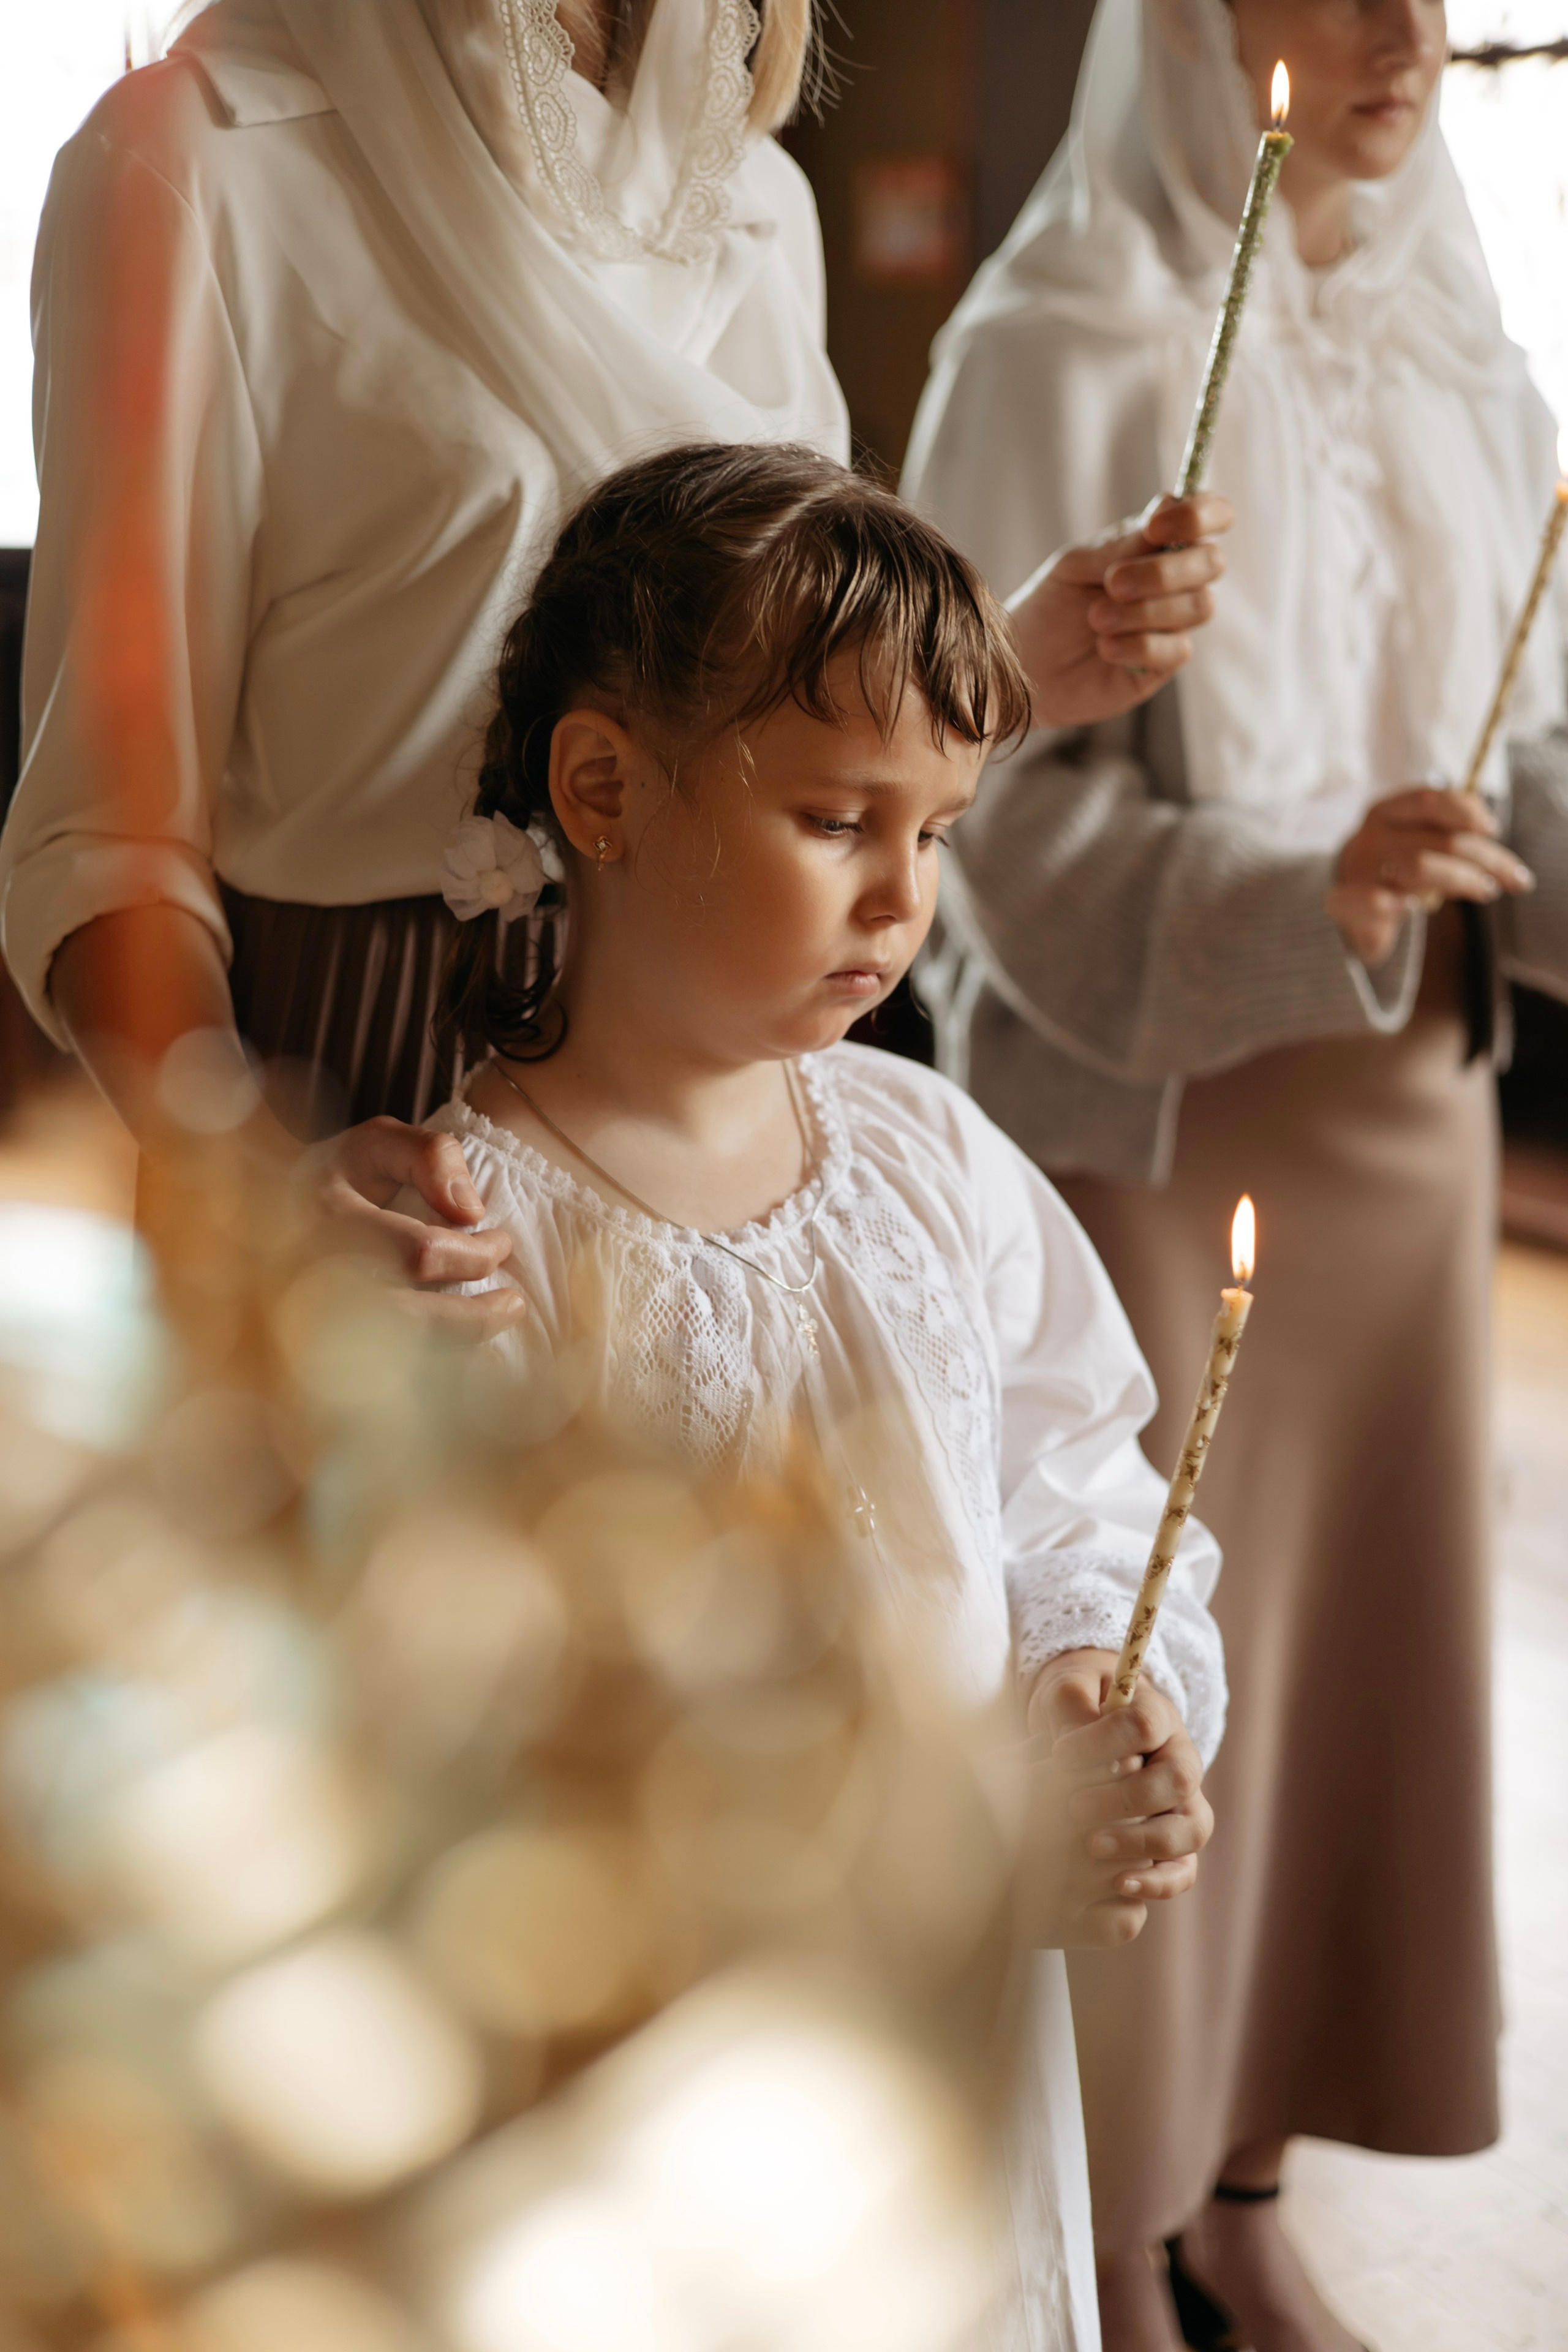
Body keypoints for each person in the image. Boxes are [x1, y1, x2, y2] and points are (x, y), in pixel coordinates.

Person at [0, 0, 1226, 1325]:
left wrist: (1002, 663)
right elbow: (102, 832)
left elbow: (766, 696)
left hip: (733, 1102)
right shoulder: (192, 160)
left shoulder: (751, 194)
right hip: (360, 1106)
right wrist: (255, 1177)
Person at [901, 3, 1568, 2348]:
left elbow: (1529, 725)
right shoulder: (1059, 343)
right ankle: (1107, 2217)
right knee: (1150, 1675)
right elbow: (968, 820)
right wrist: (1312, 884)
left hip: (1411, 1120)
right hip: (1163, 1126)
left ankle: (1251, 2176)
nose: (1398, 35)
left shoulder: (1472, 345)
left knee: (1352, 1678)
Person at [416, 435, 1227, 2350]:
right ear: (603, 790)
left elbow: (1079, 1491)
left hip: (956, 2058)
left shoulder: (930, 1162)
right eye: (837, 819)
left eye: (935, 833)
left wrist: (1089, 1685)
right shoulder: (467, 1254)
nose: (900, 898)